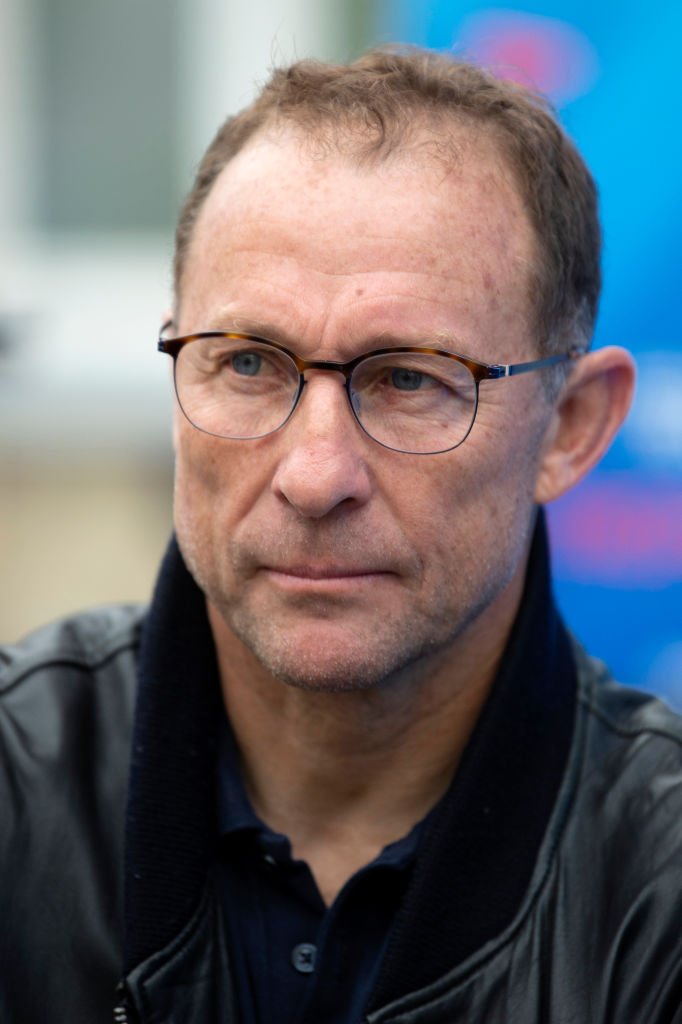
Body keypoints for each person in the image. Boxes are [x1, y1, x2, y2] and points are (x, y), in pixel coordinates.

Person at [1, 45, 681, 1024]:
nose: (315, 476)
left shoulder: (654, 888)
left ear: (569, 427)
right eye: (247, 364)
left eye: (409, 377)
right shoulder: (17, 786)